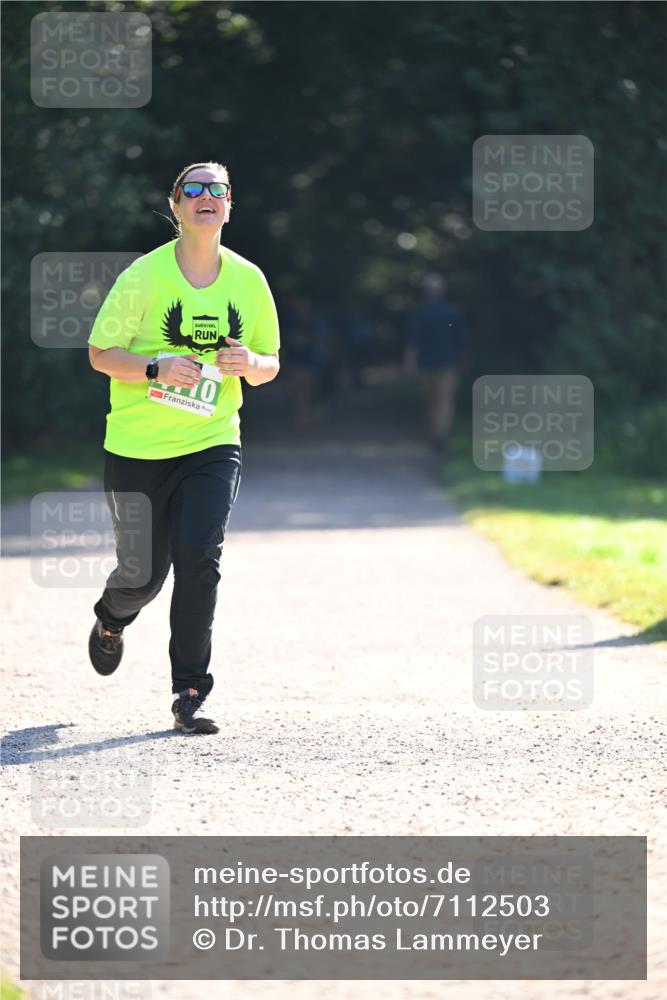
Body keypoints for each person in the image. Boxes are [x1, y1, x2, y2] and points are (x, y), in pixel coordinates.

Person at [87, 161, 280, 735]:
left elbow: (270, 364)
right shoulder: (143, 278)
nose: (205, 197)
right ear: (175, 207)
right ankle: (109, 618)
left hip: (211, 441)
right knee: (143, 575)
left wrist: (250, 364)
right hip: (137, 447)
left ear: (228, 206)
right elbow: (101, 353)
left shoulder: (249, 281)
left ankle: (189, 691)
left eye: (216, 190)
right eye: (192, 189)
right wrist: (153, 366)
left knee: (200, 558)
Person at [403, 274, 466, 456]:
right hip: (448, 363)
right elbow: (461, 340)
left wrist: (409, 363)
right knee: (445, 400)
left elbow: (412, 341)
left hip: (426, 363)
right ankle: (441, 432)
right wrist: (462, 360)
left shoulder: (419, 312)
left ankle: (435, 433)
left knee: (430, 400)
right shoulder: (452, 312)